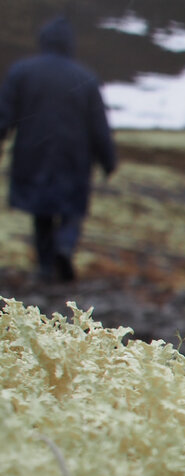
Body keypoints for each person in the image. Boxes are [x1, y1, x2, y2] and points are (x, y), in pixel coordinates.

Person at [0, 16, 116, 284]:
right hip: (74, 156)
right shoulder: (85, 77)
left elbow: (4, 114)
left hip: (33, 153)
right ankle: (64, 248)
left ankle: (44, 266)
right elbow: (99, 126)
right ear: (69, 44)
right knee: (72, 208)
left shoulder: (22, 71)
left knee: (41, 210)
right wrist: (107, 160)